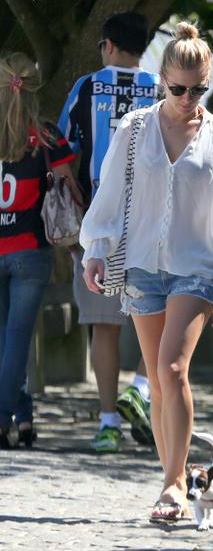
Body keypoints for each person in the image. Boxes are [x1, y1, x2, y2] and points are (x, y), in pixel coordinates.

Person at [80, 22, 213, 520]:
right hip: (141, 266)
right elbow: (110, 194)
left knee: (173, 369)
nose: (187, 98)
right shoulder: (134, 129)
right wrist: (96, 248)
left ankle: (174, 487)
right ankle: (172, 477)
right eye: (178, 88)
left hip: (196, 268)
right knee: (157, 376)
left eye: (199, 89)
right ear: (162, 79)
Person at [59, 12, 160, 452]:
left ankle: (107, 425)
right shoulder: (161, 89)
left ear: (108, 45)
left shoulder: (86, 87)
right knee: (157, 319)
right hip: (153, 222)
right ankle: (139, 388)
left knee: (105, 327)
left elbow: (64, 148)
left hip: (97, 224)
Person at [0, 53, 80, 449]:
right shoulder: (47, 135)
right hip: (30, 250)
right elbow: (68, 188)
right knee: (16, 339)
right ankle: (9, 419)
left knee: (4, 341)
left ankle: (21, 417)